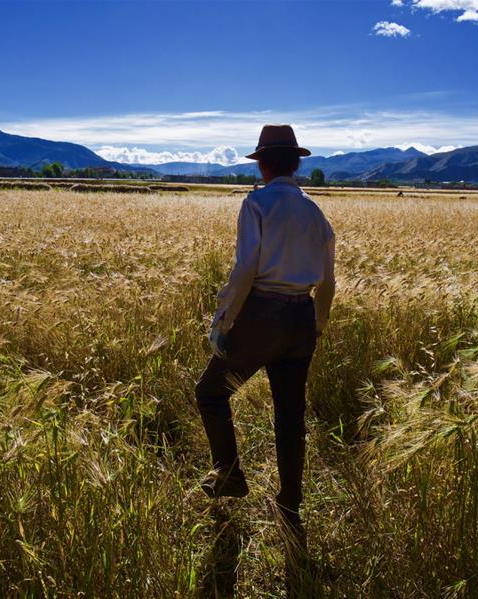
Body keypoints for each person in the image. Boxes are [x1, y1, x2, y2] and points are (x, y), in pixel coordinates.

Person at [195, 124, 336, 532]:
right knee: (291, 416)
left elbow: (245, 271)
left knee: (210, 393)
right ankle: (290, 505)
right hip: (302, 319)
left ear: (263, 165)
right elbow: (328, 282)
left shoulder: (257, 205)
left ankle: (229, 475)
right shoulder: (316, 212)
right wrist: (317, 325)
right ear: (294, 163)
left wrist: (223, 322)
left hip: (263, 314)